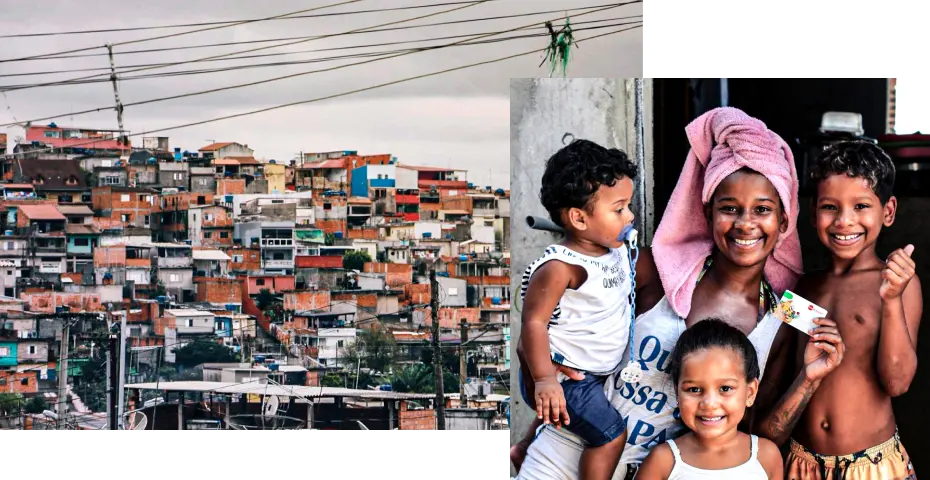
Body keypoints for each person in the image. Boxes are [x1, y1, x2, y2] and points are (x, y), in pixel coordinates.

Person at [511, 107, 845, 480]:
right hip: (563, 459)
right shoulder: (656, 269)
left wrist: (809, 378)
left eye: (763, 210)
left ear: (784, 220)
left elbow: (759, 434)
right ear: (707, 213)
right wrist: (538, 372)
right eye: (729, 208)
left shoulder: (787, 310)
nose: (745, 223)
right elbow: (539, 323)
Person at [777, 140, 920, 479]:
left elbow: (897, 382)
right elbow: (782, 372)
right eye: (830, 207)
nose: (844, 221)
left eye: (860, 206)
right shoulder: (802, 288)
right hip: (802, 463)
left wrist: (891, 299)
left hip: (871, 466)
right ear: (813, 214)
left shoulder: (898, 283)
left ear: (888, 212)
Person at [518, 138, 639, 479]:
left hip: (592, 371)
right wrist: (544, 380)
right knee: (609, 435)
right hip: (566, 377)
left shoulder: (613, 249)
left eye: (628, 206)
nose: (629, 216)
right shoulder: (561, 267)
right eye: (619, 209)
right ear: (579, 218)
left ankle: (522, 448)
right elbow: (533, 324)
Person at [635, 318, 783, 479]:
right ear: (677, 393)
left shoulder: (766, 457)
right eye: (694, 389)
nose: (709, 404)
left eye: (725, 388)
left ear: (750, 392)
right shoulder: (662, 462)